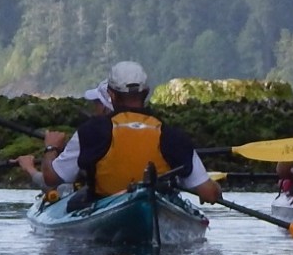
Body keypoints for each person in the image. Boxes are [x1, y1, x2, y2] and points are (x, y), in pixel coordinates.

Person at [40, 61, 222, 204]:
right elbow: (209, 194)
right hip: (156, 204)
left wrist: (51, 148)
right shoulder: (173, 136)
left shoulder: (91, 131)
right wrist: (214, 189)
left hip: (106, 206)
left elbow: (51, 178)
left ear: (111, 94)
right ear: (146, 92)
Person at [17, 81, 112, 188]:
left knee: (63, 188)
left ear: (105, 107)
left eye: (97, 102)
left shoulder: (89, 132)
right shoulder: (132, 125)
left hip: (103, 196)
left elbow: (51, 179)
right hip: (128, 192)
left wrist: (49, 149)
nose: (94, 108)